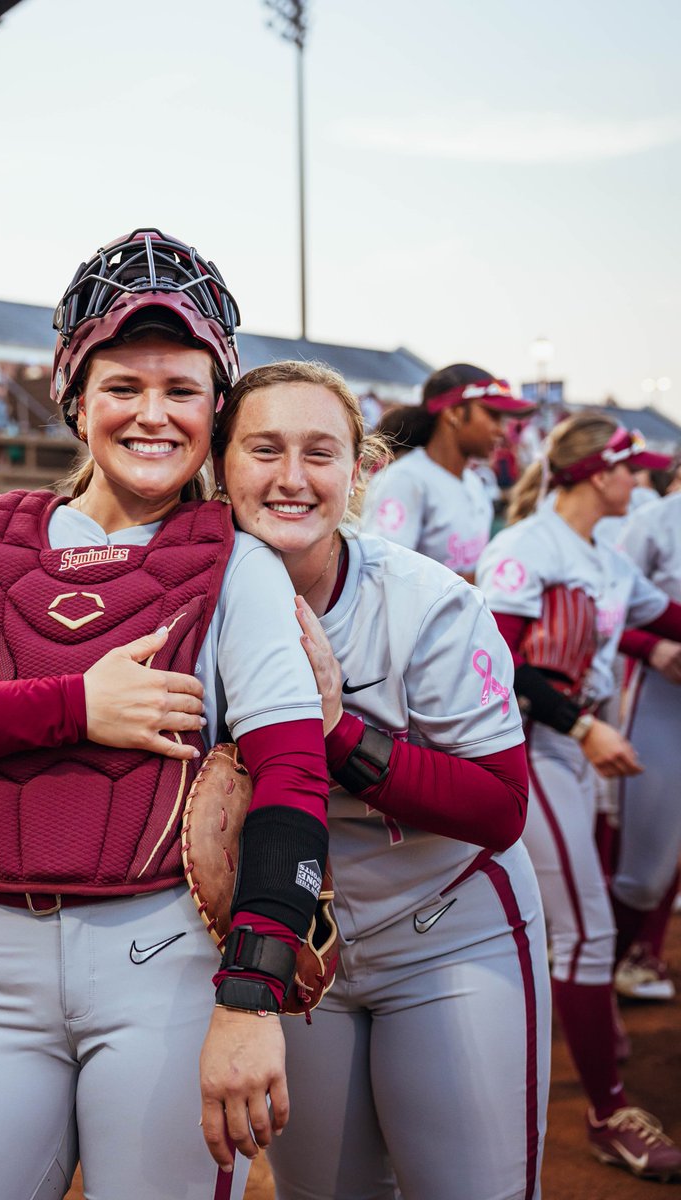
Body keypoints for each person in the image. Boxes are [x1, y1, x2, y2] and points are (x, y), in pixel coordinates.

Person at [0, 230, 330, 1200]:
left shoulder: (237, 563)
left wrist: (251, 998)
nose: (151, 415)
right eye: (122, 385)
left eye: (182, 390)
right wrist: (77, 705)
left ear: (216, 406)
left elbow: (292, 777)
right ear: (76, 395)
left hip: (163, 967)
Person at [213, 360, 551, 1200]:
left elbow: (501, 806)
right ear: (219, 464)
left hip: (449, 925)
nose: (292, 477)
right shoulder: (190, 602)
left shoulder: (427, 602)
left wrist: (335, 733)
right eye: (264, 449)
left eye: (320, 452)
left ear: (360, 470)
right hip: (304, 944)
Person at [476, 414, 681, 1182]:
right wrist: (580, 723)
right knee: (588, 931)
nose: (644, 481)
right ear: (600, 472)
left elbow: (665, 618)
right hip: (526, 745)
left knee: (561, 927)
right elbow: (490, 662)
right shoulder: (527, 548)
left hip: (568, 742)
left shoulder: (599, 555)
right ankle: (606, 1114)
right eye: (633, 470)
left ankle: (586, 1040)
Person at [361, 363, 535, 582]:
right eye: (493, 415)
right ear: (454, 413)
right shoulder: (406, 479)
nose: (502, 430)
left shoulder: (474, 483)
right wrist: (477, 580)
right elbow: (382, 574)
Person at [608, 489, 681, 1001]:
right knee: (643, 871)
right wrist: (650, 646)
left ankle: (639, 955)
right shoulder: (656, 521)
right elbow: (606, 610)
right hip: (661, 701)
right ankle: (601, 973)